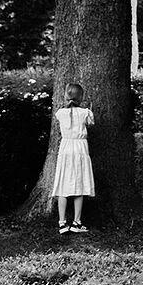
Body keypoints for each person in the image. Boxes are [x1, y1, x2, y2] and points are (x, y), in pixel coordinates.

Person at [52, 82, 96, 234]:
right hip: (80, 148)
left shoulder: (60, 113)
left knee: (63, 184)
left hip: (66, 147)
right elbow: (91, 124)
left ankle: (62, 223)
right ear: (81, 97)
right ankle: (77, 222)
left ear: (66, 95)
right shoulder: (85, 112)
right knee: (80, 184)